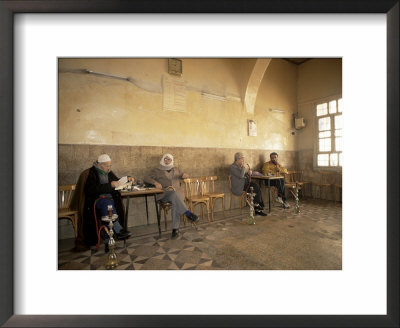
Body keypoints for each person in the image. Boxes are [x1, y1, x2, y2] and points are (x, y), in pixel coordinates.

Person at [71, 154, 132, 252]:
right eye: (107, 165)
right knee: (107, 206)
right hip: (96, 201)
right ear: (100, 164)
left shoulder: (108, 172)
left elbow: (117, 181)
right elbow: (90, 190)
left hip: (110, 200)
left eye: (109, 165)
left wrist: (127, 178)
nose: (109, 168)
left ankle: (108, 241)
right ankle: (119, 229)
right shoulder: (91, 173)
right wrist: (110, 185)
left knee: (107, 210)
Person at [144, 154, 199, 239]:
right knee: (174, 196)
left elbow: (183, 175)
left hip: (177, 193)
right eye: (165, 159)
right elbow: (146, 178)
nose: (167, 161)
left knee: (175, 202)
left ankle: (175, 230)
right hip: (164, 193)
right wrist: (155, 183)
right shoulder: (157, 170)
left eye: (169, 159)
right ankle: (188, 214)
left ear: (172, 160)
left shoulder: (176, 169)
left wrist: (185, 175)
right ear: (163, 160)